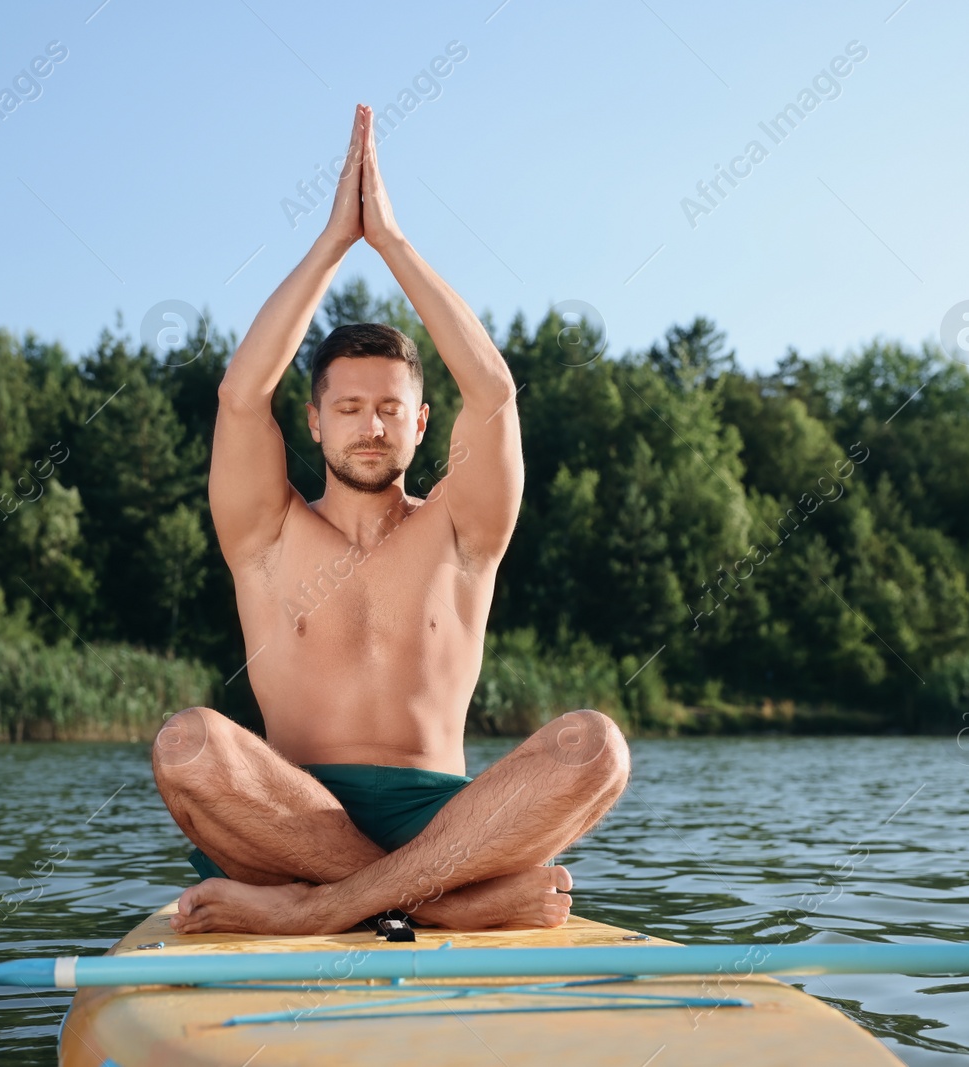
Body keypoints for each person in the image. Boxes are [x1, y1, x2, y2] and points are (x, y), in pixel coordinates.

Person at [152, 102, 630, 936]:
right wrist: (336, 240)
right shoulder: (265, 533)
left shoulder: (460, 530)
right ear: (313, 421)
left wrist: (394, 243)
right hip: (288, 818)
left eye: (388, 408)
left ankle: (330, 909)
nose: (369, 425)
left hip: (450, 825)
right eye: (348, 407)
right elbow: (239, 394)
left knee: (598, 747)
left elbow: (493, 392)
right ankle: (448, 908)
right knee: (187, 744)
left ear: (420, 424)